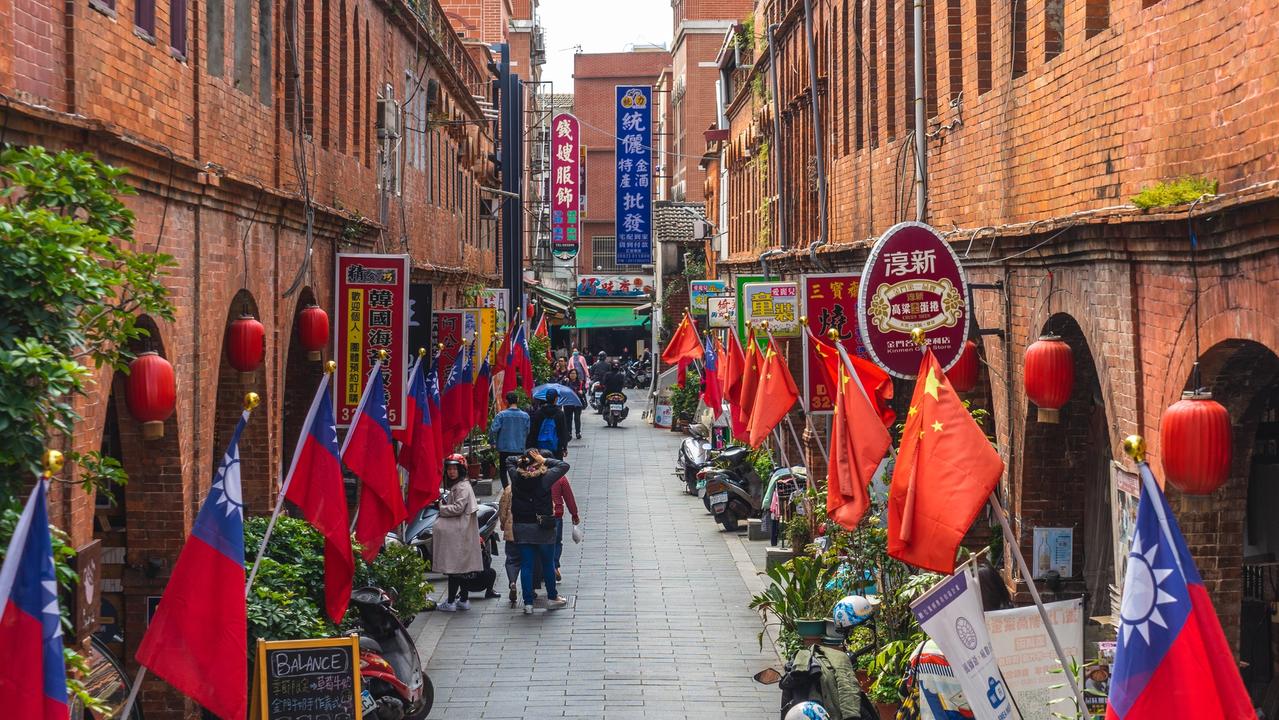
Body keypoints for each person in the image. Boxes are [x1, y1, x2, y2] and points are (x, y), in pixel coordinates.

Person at [510, 449, 569, 614]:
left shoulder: (516, 477)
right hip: (543, 527)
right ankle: (552, 597)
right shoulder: (545, 478)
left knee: (527, 565)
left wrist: (523, 459)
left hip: (522, 526)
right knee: (547, 563)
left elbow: (508, 459)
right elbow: (563, 465)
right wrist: (543, 460)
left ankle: (528, 604)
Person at [434, 454, 483, 612]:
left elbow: (458, 508)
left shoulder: (462, 487)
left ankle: (450, 601)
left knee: (454, 570)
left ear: (461, 470)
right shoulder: (461, 485)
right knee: (462, 570)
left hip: (459, 533)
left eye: (455, 469)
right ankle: (463, 599)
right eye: (449, 469)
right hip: (462, 532)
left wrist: (441, 508)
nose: (451, 472)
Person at [488, 391, 530, 486]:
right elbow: (527, 432)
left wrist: (492, 442)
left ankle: (506, 490)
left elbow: (493, 430)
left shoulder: (501, 415)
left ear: (506, 401)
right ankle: (517, 489)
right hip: (519, 448)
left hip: (504, 449)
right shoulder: (525, 416)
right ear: (518, 400)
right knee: (519, 470)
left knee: (503, 471)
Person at [551, 473, 580, 581]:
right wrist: (574, 514)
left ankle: (546, 568)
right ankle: (554, 566)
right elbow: (569, 497)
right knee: (556, 542)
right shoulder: (559, 477)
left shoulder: (535, 475)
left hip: (540, 515)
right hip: (556, 515)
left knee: (542, 543)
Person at [527, 389, 570, 459]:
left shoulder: (539, 413)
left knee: (542, 466)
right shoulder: (560, 413)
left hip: (540, 448)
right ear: (556, 399)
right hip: (556, 448)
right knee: (556, 467)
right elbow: (563, 431)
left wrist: (531, 447)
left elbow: (533, 431)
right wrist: (564, 447)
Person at [563, 368, 586, 440]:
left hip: (577, 403)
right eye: (571, 373)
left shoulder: (580, 382)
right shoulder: (566, 382)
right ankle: (569, 432)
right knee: (568, 418)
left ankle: (578, 432)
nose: (572, 375)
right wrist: (564, 381)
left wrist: (582, 392)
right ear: (569, 374)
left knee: (577, 418)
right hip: (568, 403)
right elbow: (561, 389)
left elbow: (585, 390)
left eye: (574, 373)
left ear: (576, 375)